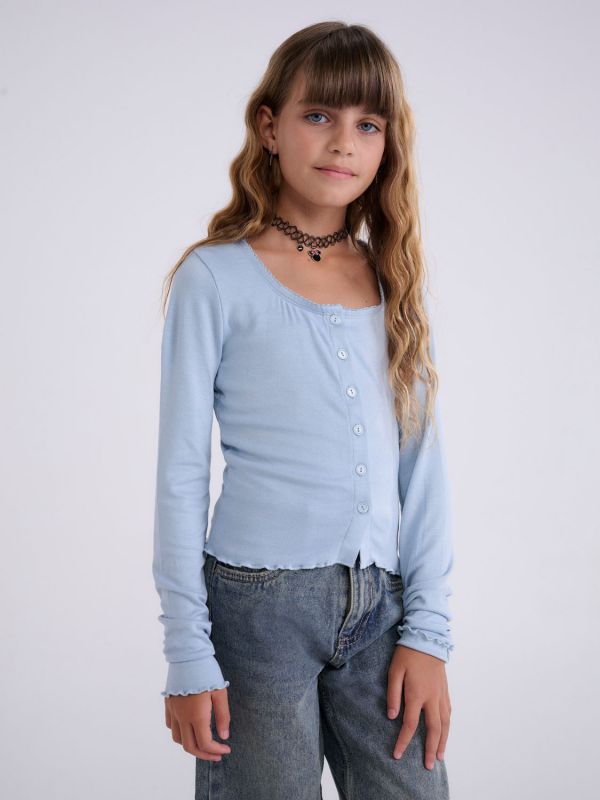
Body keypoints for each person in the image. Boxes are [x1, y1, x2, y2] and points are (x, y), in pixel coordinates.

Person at [152, 20, 455, 800]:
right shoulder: (216, 279)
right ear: (270, 126)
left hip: (384, 610)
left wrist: (429, 634)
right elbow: (181, 474)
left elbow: (422, 470)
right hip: (256, 611)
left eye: (367, 124)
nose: (342, 141)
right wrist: (188, 653)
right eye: (318, 115)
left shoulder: (392, 279)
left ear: (387, 143)